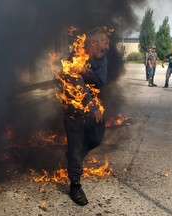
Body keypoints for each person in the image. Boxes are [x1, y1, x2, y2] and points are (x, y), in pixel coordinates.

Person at [60, 27, 110, 206]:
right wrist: (92, 104)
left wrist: (86, 72)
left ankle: (75, 156)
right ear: (93, 43)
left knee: (96, 138)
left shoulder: (102, 59)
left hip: (95, 110)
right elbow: (77, 85)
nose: (107, 47)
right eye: (105, 42)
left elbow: (101, 80)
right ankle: (75, 185)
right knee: (75, 146)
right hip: (74, 110)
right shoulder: (74, 58)